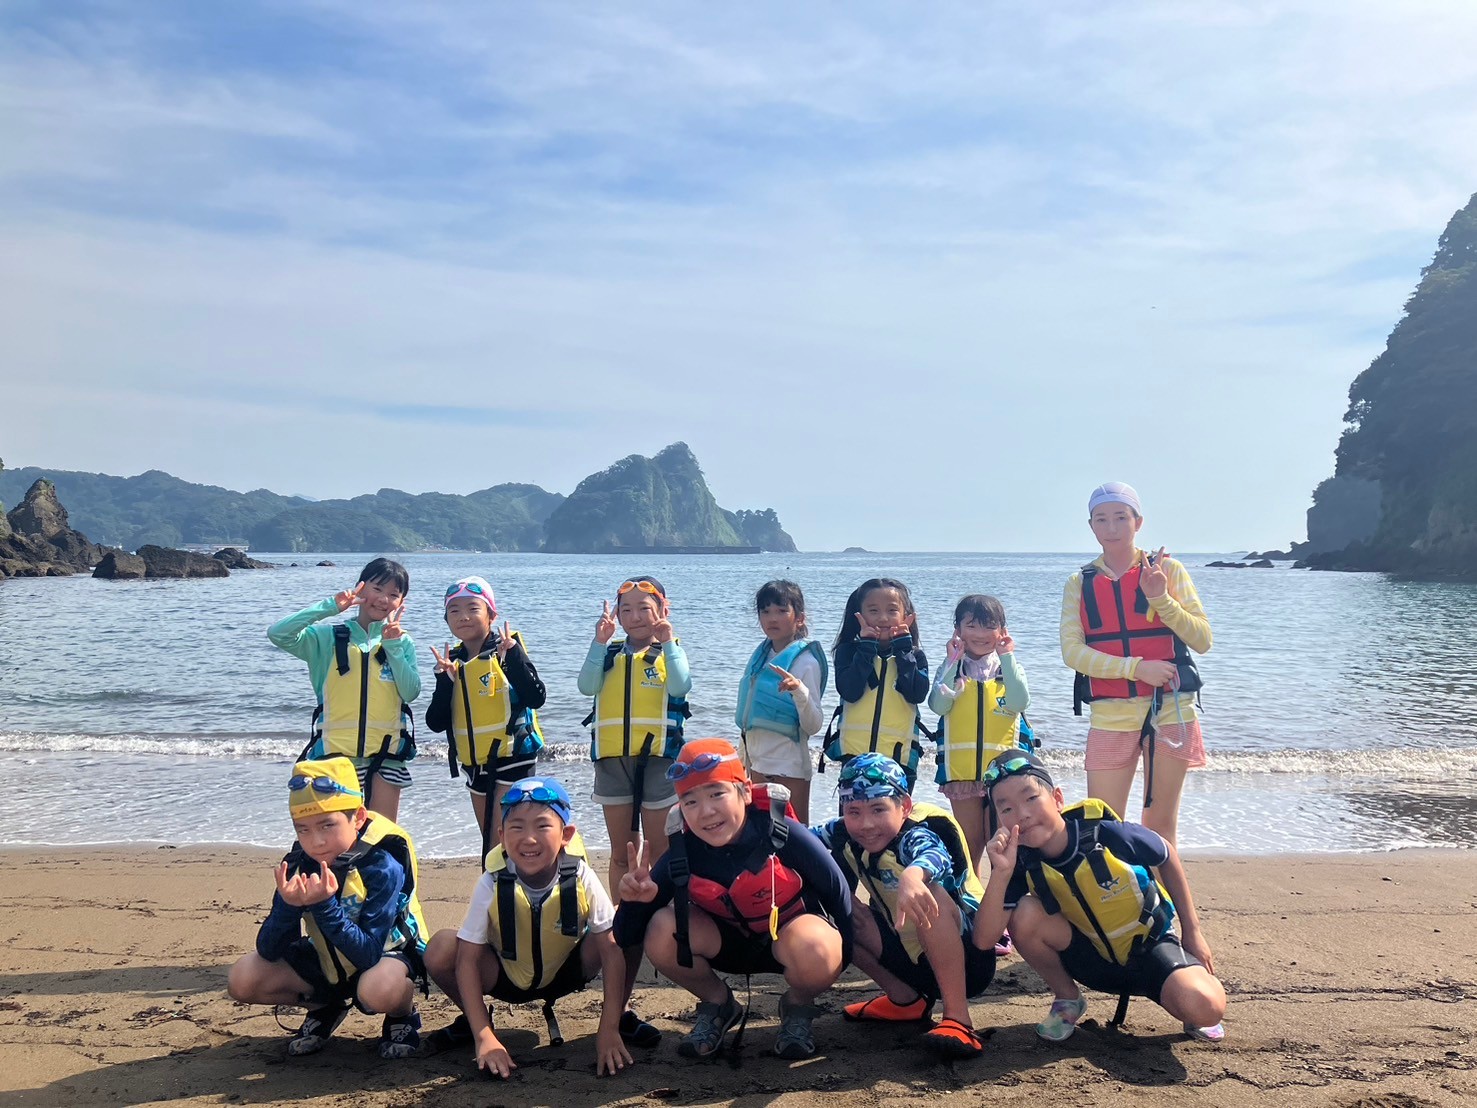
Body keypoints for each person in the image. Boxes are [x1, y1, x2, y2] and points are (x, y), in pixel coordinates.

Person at [613, 739, 852, 1060]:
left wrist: (836, 963)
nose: (706, 811)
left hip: (789, 943)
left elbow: (839, 896)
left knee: (821, 948)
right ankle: (718, 1003)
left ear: (746, 792)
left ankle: (797, 1005)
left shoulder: (783, 833)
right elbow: (627, 935)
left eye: (717, 794)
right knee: (660, 928)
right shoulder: (683, 851)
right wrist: (634, 901)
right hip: (723, 947)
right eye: (690, 801)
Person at [972, 751, 1226, 1043]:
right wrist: (1001, 873)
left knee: (1205, 1008)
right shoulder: (1021, 863)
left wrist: (1193, 932)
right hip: (1091, 961)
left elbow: (1166, 855)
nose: (1022, 814)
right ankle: (1067, 998)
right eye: (1006, 809)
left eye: (1030, 798)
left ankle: (1188, 987)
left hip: (1152, 951)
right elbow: (984, 940)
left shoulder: (1106, 834)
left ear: (1057, 799)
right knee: (1024, 912)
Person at [421, 777, 659, 1079]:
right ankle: (476, 1024)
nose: (529, 839)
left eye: (542, 826)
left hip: (570, 970)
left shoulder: (580, 874)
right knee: (441, 947)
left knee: (624, 923)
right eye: (517, 827)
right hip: (507, 976)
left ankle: (617, 1018)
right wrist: (484, 1037)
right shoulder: (492, 881)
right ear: (501, 836)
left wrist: (607, 1029)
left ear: (566, 834)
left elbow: (611, 950)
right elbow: (467, 959)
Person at [226, 756, 429, 1059]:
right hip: (328, 960)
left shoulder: (382, 866)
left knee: (378, 990)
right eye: (303, 830)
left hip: (385, 959)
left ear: (358, 818)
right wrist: (288, 907)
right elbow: (269, 950)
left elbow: (369, 954)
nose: (317, 841)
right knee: (243, 979)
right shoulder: (299, 865)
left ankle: (402, 1014)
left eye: (327, 825)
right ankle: (325, 1007)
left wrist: (324, 905)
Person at [1060, 482, 1212, 847]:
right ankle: (1119, 886)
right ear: (1091, 526)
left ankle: (1165, 887)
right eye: (1101, 519)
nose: (1111, 528)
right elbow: (1072, 653)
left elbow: (1202, 639)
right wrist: (1136, 668)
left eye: (1121, 517)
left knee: (1159, 826)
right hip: (1110, 715)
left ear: (1138, 522)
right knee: (1104, 825)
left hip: (1171, 711)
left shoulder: (1169, 570)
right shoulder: (1079, 582)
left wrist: (1160, 598)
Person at [814, 754, 995, 1059]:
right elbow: (799, 838)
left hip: (969, 964)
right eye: (853, 811)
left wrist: (913, 875)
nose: (866, 824)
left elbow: (934, 855)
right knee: (841, 911)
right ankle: (905, 1001)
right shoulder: (843, 831)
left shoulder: (917, 834)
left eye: (879, 809)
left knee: (930, 893)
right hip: (910, 961)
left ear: (905, 806)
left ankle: (958, 1019)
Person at [267, 558, 421, 821]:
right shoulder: (327, 638)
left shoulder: (402, 642)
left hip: (386, 759)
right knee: (337, 837)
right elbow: (279, 634)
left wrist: (393, 646)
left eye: (393, 594)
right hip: (334, 759)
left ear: (401, 601)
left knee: (380, 836)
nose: (383, 599)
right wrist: (330, 607)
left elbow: (411, 692)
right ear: (360, 587)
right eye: (377, 589)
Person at [576, 575, 691, 897]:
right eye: (626, 609)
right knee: (621, 853)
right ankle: (622, 916)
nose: (635, 617)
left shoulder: (670, 652)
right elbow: (586, 686)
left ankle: (661, 913)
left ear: (664, 609)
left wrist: (667, 642)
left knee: (659, 852)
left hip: (658, 761)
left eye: (644, 608)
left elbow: (681, 685)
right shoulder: (608, 653)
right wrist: (599, 642)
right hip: (612, 763)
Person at [424, 576, 546, 855]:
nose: (463, 617)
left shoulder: (507, 650)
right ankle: (500, 884)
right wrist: (444, 681)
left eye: (473, 608)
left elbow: (536, 697)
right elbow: (435, 723)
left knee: (505, 842)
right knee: (492, 846)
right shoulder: (452, 662)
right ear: (446, 619)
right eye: (454, 610)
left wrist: (512, 659)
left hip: (513, 758)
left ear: (492, 615)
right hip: (475, 764)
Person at [929, 593, 1032, 876]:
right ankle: (970, 896)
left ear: (1002, 631)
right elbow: (938, 705)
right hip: (962, 775)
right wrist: (952, 661)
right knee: (969, 844)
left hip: (1004, 774)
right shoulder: (951, 668)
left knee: (1005, 843)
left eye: (989, 626)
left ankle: (1005, 897)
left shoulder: (1008, 668)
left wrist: (1007, 657)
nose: (980, 634)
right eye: (971, 626)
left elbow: (1019, 702)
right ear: (958, 630)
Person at [734, 579, 829, 823]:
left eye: (781, 610)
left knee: (794, 838)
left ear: (800, 618)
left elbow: (813, 725)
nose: (772, 618)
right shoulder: (761, 656)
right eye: (765, 611)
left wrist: (799, 691)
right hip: (757, 766)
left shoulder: (806, 662)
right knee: (759, 838)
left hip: (789, 769)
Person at [827, 577, 929, 788]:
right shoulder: (848, 652)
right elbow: (850, 691)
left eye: (892, 610)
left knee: (896, 811)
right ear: (859, 615)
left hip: (899, 761)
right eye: (873, 611)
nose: (883, 618)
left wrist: (903, 649)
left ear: (906, 616)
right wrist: (866, 647)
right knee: (854, 810)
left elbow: (916, 694)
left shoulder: (914, 656)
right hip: (855, 760)